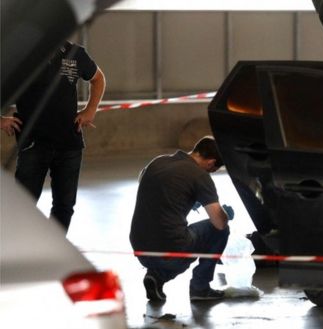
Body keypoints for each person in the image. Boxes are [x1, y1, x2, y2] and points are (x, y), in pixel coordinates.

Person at [1, 40, 106, 231]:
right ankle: (20, 253)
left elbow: (98, 79)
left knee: (64, 206)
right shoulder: (20, 56)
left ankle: (55, 252)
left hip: (69, 143)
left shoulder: (75, 53)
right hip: (34, 144)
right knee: (23, 206)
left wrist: (90, 110)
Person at [129, 136, 233, 302]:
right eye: (212, 170)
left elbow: (157, 190)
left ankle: (156, 277)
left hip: (140, 248)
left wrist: (189, 200)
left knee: (170, 234)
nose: (209, 174)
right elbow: (219, 223)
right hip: (172, 253)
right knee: (220, 230)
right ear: (211, 163)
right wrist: (226, 216)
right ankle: (201, 287)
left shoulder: (158, 162)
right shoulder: (200, 176)